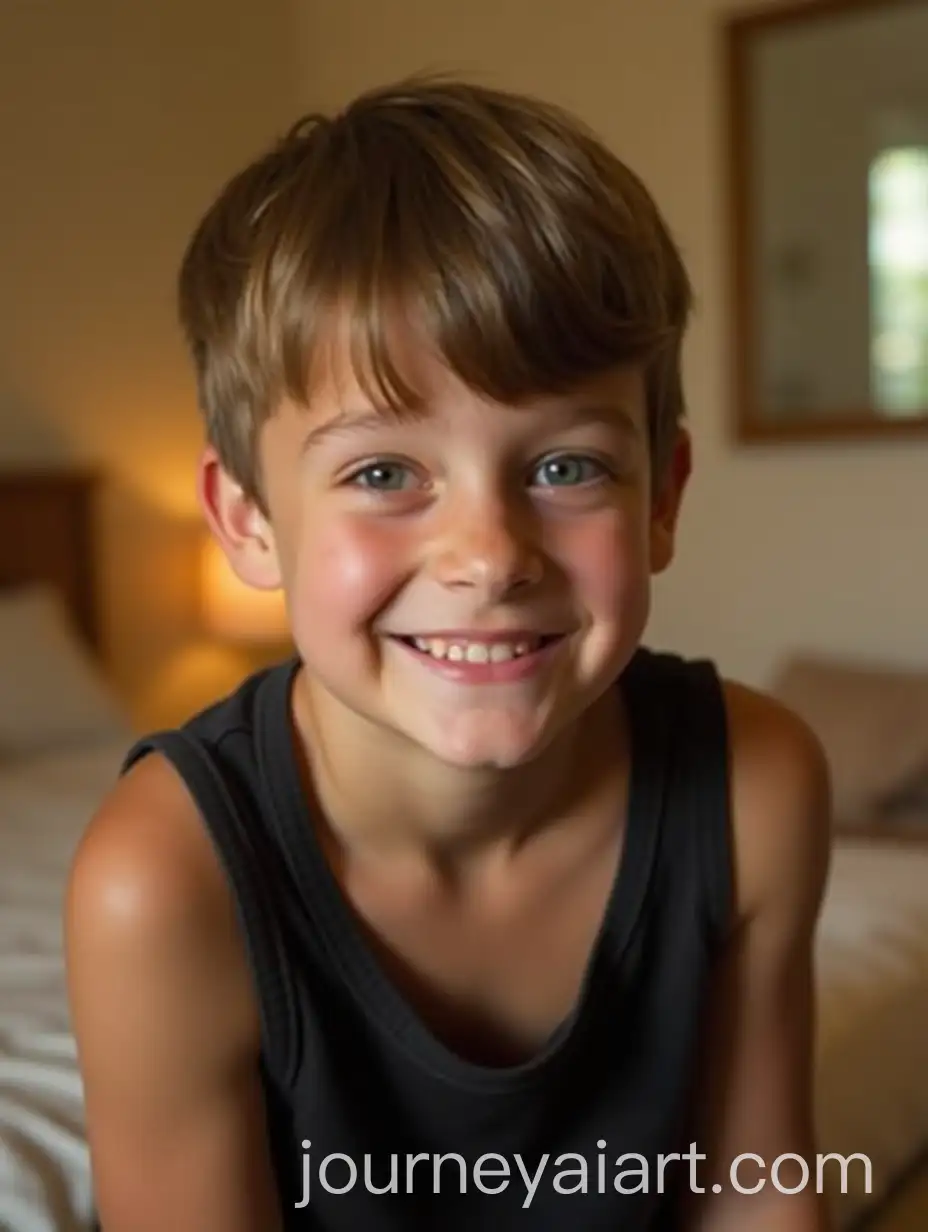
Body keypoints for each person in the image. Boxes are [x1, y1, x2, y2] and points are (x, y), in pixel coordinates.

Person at [64, 76, 833, 1231]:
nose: (487, 555)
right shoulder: (164, 885)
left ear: (662, 496)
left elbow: (758, 1196)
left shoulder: (756, 785)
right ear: (249, 521)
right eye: (383, 474)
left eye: (566, 465)